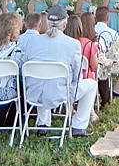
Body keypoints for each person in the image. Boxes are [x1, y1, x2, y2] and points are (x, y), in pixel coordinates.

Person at [22, 7, 97, 136]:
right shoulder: (73, 44)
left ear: (47, 23)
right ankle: (78, 126)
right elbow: (77, 74)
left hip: (32, 93)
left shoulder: (32, 41)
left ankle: (43, 123)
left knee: (41, 78)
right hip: (61, 94)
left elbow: (24, 66)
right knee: (91, 84)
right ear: (65, 25)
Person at [92, 6, 119, 100]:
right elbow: (117, 55)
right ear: (107, 18)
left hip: (91, 66)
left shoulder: (90, 31)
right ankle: (116, 92)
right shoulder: (112, 33)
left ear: (95, 17)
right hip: (107, 65)